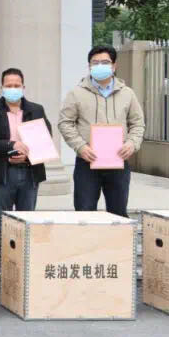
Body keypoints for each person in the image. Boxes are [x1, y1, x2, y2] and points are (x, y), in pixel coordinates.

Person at [59, 45, 146, 217]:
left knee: (118, 213)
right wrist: (80, 147)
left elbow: (138, 123)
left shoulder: (127, 94)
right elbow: (65, 123)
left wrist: (132, 143)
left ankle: (118, 236)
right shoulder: (76, 93)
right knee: (84, 213)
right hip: (87, 161)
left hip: (118, 161)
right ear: (89, 66)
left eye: (105, 62)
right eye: (95, 62)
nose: (100, 66)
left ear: (114, 66)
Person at [0, 68, 51, 276]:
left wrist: (27, 156)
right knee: (1, 222)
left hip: (30, 172)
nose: (12, 89)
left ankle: (24, 261)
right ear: (2, 87)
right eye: (8, 85)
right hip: (4, 173)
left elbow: (45, 138)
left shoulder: (36, 110)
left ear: (23, 87)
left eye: (16, 85)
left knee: (26, 219)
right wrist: (12, 146)